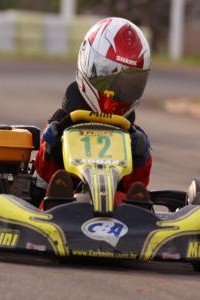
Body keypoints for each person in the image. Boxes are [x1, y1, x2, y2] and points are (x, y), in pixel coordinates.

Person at [35, 17, 152, 207]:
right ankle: (62, 195)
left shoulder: (132, 134)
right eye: (110, 80)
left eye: (129, 85)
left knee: (127, 201)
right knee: (54, 195)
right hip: (62, 201)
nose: (117, 92)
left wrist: (141, 157)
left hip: (115, 205)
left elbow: (140, 182)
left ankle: (137, 207)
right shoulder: (61, 121)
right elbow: (42, 173)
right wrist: (50, 147)